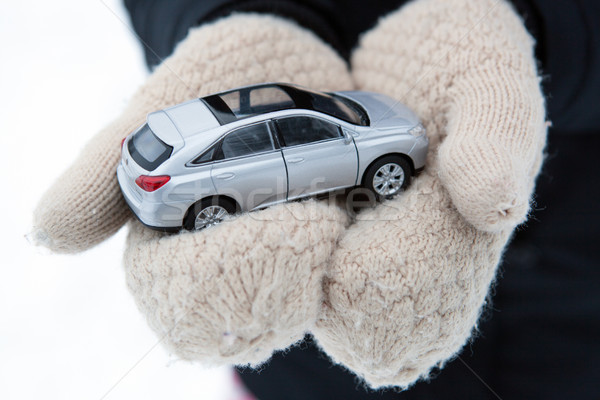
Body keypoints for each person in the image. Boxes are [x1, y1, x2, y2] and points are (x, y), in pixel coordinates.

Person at [33, 0, 599, 398]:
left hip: (575, 327)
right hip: (306, 372)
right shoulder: (373, 137)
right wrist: (223, 10)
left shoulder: (182, 156)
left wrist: (552, 22)